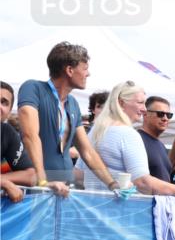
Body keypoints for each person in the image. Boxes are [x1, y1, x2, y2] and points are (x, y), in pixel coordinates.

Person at [17, 42, 120, 197]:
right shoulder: (33, 88)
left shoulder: (73, 103)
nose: (88, 74)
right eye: (85, 68)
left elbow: (87, 151)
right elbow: (30, 136)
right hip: (38, 190)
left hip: (65, 191)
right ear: (70, 70)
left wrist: (113, 184)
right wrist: (42, 182)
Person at [80, 81, 175, 196]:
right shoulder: (127, 134)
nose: (144, 109)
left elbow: (79, 174)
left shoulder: (94, 132)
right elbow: (142, 182)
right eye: (140, 103)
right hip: (122, 209)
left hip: (93, 206)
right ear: (121, 103)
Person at [138, 96, 175, 183]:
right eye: (160, 114)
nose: (165, 118)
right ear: (145, 114)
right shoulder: (137, 140)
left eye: (169, 115)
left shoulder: (161, 145)